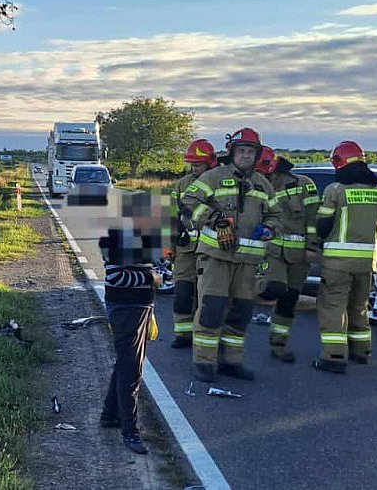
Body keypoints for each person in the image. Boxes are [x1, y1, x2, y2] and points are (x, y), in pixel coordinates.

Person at [181, 127, 282, 382]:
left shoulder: (263, 185)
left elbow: (277, 216)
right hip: (216, 258)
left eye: (250, 151)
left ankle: (231, 362)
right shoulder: (214, 176)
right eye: (242, 151)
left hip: (247, 263)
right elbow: (189, 202)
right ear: (232, 152)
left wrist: (270, 228)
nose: (246, 156)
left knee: (240, 313)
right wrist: (216, 220)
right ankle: (204, 362)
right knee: (211, 310)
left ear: (256, 155)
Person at [308, 141, 377, 373]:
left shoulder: (336, 190)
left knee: (333, 307)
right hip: (367, 263)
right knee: (359, 307)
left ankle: (334, 357)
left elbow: (322, 225)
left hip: (337, 263)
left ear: (339, 162)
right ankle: (361, 351)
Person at [98, 193, 167, 455]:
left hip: (142, 306)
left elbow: (165, 269)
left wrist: (155, 274)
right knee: (131, 370)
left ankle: (110, 415)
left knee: (125, 362)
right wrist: (151, 277)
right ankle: (131, 432)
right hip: (125, 308)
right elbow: (116, 277)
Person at [255, 147, 321, 363]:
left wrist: (312, 246)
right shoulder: (256, 185)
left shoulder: (303, 184)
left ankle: (278, 346)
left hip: (299, 254)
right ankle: (243, 290)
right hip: (271, 252)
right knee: (273, 288)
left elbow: (314, 218)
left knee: (288, 300)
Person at [169, 139, 219, 348]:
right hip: (185, 249)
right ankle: (183, 334)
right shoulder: (182, 184)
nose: (195, 168)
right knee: (182, 293)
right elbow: (170, 214)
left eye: (199, 164)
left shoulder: (219, 182)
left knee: (205, 297)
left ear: (210, 163)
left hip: (212, 251)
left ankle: (203, 337)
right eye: (193, 164)